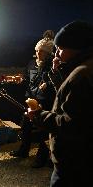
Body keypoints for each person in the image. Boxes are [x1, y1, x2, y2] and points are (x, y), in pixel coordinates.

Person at [26, 20, 93, 186]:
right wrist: (57, 75)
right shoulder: (82, 68)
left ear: (76, 48)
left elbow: (73, 124)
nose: (56, 54)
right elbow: (71, 99)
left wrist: (40, 116)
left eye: (60, 49)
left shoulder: (82, 74)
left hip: (74, 164)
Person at [11, 30, 56, 168]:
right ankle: (23, 150)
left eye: (42, 51)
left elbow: (57, 81)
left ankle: (41, 158)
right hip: (31, 98)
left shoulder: (51, 66)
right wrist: (21, 79)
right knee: (26, 126)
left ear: (48, 53)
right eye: (37, 50)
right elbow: (27, 78)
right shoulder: (32, 64)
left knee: (44, 129)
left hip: (45, 101)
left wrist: (47, 84)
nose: (38, 53)